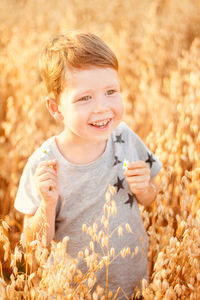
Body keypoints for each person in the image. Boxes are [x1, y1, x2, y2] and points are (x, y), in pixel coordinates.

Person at [14, 31, 162, 299]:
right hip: (75, 293)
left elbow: (152, 197)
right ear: (55, 108)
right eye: (85, 98)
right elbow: (32, 247)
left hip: (136, 289)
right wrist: (47, 205)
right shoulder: (43, 163)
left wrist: (145, 189)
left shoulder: (125, 136)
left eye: (110, 92)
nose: (102, 108)